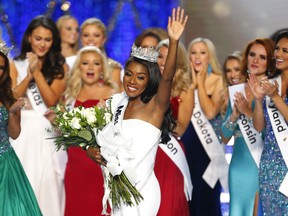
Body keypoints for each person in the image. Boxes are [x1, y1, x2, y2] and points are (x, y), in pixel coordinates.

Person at [91, 7, 188, 215]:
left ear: (150, 79)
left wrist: (173, 41)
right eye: (129, 74)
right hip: (118, 188)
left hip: (142, 192)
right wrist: (93, 152)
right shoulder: (117, 103)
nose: (132, 81)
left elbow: (168, 77)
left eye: (140, 77)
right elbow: (102, 140)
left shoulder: (156, 106)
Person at [9, 15, 68, 216]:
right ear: (29, 38)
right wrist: (29, 75)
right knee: (24, 180)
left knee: (49, 184)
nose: (42, 44)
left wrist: (38, 72)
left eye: (47, 39)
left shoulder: (61, 66)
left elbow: (51, 100)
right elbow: (13, 96)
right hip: (22, 132)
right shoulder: (15, 64)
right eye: (38, 38)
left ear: (54, 41)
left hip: (48, 132)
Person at [220, 39, 275, 216]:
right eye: (252, 55)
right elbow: (224, 136)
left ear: (270, 62)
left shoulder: (274, 91)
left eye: (262, 57)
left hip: (263, 165)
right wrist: (235, 115)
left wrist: (248, 111)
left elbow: (271, 135)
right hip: (238, 167)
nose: (255, 60)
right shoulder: (236, 91)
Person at [63, 46, 118, 216]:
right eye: (85, 63)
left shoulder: (112, 93)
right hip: (75, 162)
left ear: (102, 68)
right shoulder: (70, 94)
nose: (91, 67)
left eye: (96, 63)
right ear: (79, 67)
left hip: (99, 161)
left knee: (96, 206)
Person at [181, 37, 226, 216]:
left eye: (202, 52)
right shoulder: (183, 81)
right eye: (193, 53)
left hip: (209, 151)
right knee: (188, 197)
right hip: (187, 145)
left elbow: (209, 112)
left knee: (207, 198)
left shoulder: (218, 80)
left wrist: (198, 82)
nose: (197, 57)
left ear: (210, 56)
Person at [0, 40, 42, 216]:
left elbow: (15, 134)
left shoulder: (7, 96)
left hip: (5, 164)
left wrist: (12, 113)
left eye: (1, 67)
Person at [248, 31, 288, 215]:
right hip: (269, 165)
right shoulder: (272, 83)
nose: (278, 54)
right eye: (278, 49)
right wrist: (258, 100)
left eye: (285, 50)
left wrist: (275, 97)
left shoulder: (273, 89)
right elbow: (259, 127)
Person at [154, 38, 193, 216]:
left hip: (169, 154)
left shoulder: (185, 90)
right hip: (146, 153)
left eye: (168, 57)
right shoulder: (146, 85)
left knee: (169, 206)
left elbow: (181, 128)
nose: (163, 61)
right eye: (160, 56)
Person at [80, 18, 122, 90]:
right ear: (81, 38)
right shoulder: (71, 63)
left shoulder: (114, 67)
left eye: (96, 35)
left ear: (104, 39)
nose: (91, 39)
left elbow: (115, 97)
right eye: (86, 35)